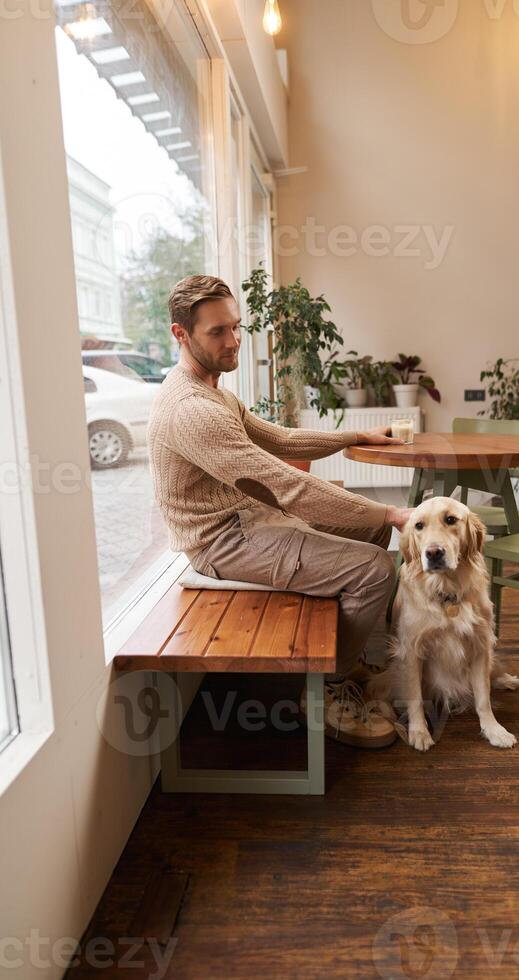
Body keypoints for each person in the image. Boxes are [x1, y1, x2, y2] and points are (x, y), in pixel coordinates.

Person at [147, 275, 413, 748]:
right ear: (180, 334)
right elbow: (288, 487)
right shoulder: (192, 409)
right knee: (376, 567)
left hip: (250, 517)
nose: (232, 342)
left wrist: (357, 436)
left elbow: (283, 440)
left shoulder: (216, 392)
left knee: (367, 534)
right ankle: (329, 691)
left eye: (235, 327)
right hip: (222, 540)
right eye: (217, 332)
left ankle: (341, 660)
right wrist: (391, 514)